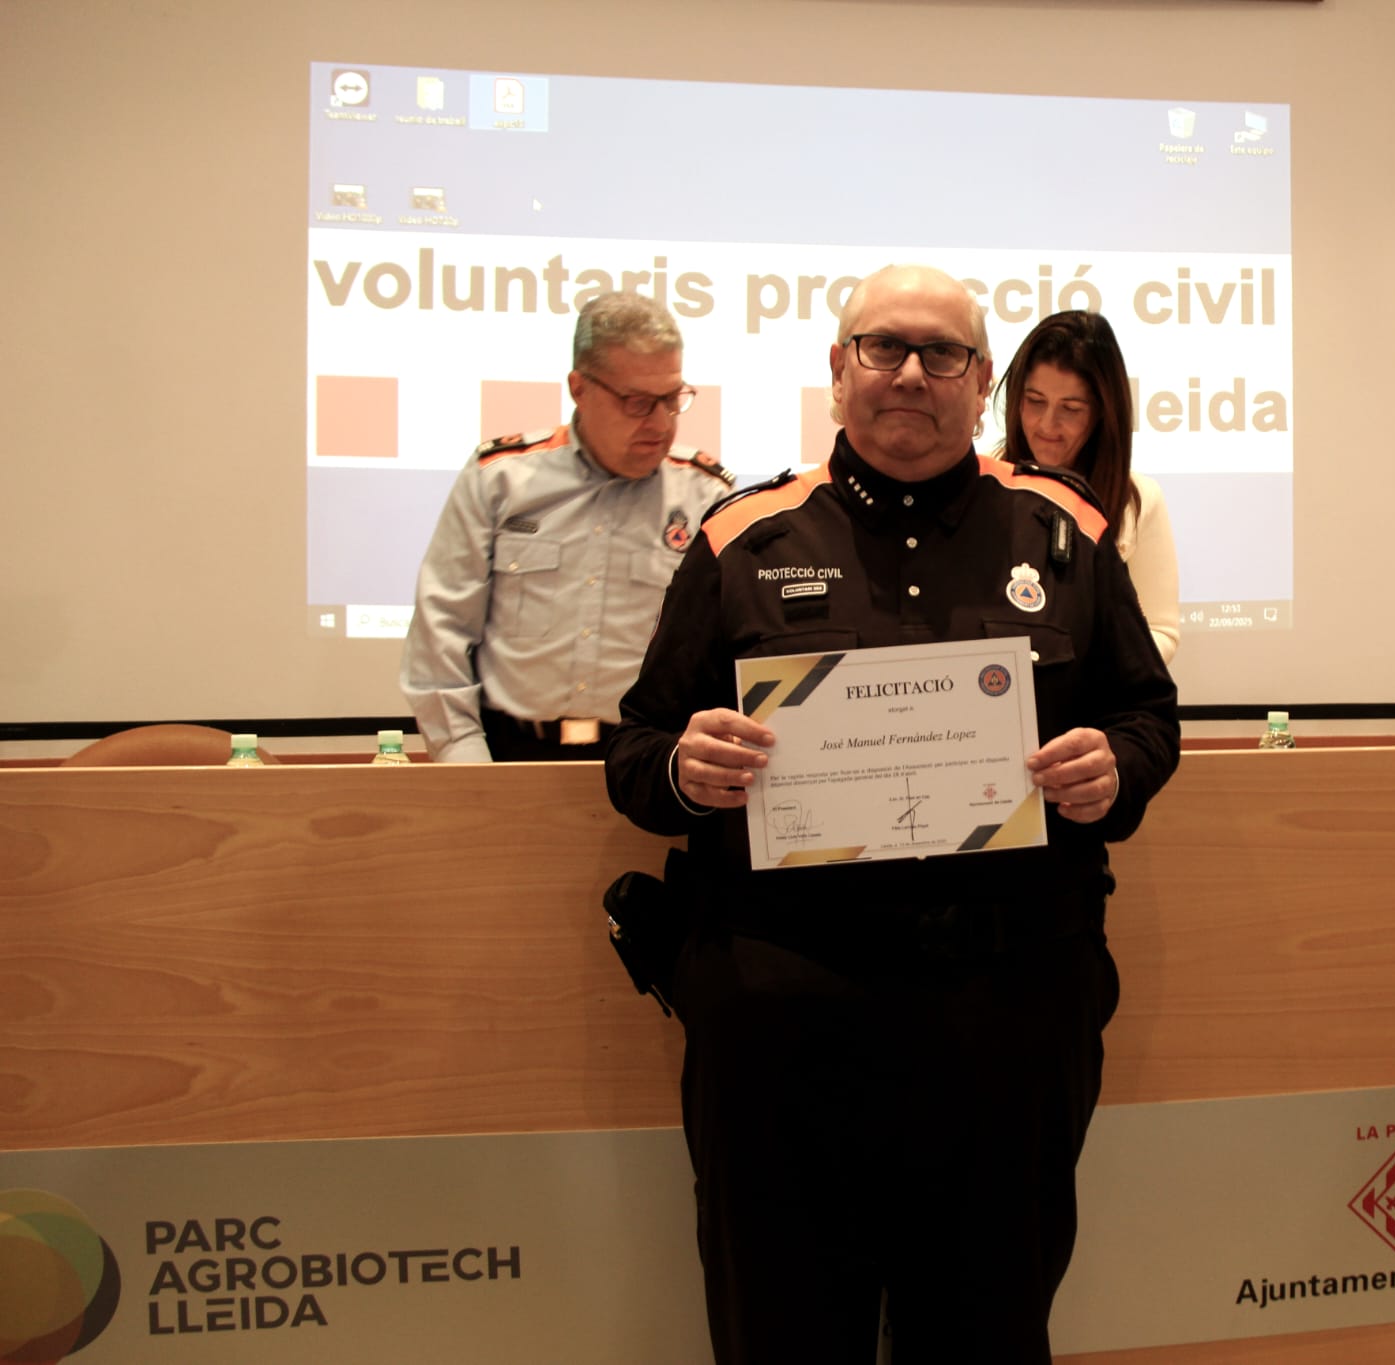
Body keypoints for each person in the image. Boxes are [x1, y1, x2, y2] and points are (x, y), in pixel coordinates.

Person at [605, 265, 1179, 1364]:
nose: (912, 374)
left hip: (1008, 1018)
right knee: (782, 1334)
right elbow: (635, 752)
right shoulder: (743, 539)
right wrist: (682, 768)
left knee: (986, 1335)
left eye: (943, 353)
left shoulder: (1062, 531)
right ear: (839, 369)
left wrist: (1119, 766)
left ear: (981, 381)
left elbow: (1148, 716)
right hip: (784, 1024)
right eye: (884, 348)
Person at [400, 292, 734, 761]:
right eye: (638, 402)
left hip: (647, 764)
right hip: (508, 755)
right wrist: (465, 760)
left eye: (672, 399)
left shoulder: (706, 495)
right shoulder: (500, 478)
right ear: (579, 389)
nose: (661, 423)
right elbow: (442, 632)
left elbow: (724, 654)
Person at [996, 309, 1181, 665]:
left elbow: (1161, 631)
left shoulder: (1137, 500)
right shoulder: (985, 480)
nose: (1047, 425)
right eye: (1035, 401)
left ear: (1102, 413)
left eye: (1071, 409)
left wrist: (1085, 673)